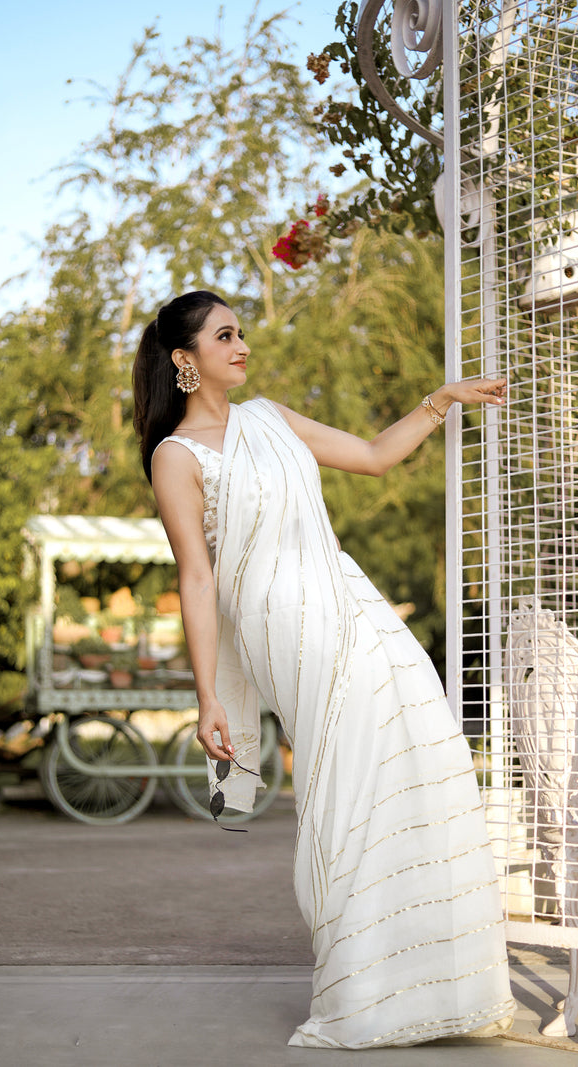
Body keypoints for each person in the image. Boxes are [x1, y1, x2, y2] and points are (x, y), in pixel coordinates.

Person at [133, 290, 515, 1048]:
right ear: (186, 358)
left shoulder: (271, 418)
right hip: (285, 627)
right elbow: (198, 580)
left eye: (242, 332)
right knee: (345, 779)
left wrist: (438, 400)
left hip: (349, 599)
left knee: (422, 744)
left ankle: (433, 977)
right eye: (225, 335)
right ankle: (360, 988)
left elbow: (373, 457)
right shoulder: (176, 456)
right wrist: (208, 694)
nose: (243, 344)